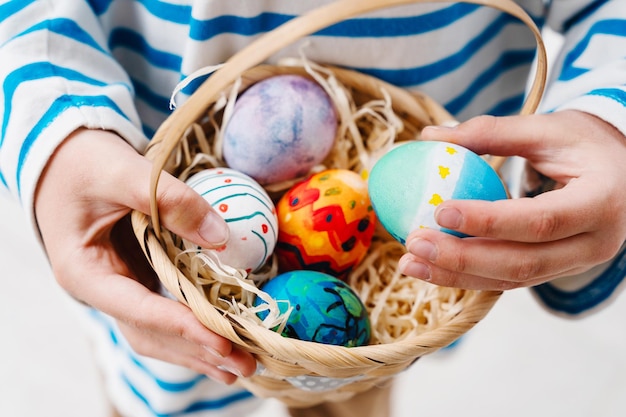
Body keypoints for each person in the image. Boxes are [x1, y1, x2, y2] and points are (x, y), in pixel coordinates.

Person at [1, 0, 625, 416]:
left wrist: (611, 121)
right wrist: (58, 137)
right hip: (151, 226)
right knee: (161, 390)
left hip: (398, 286)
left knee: (346, 382)